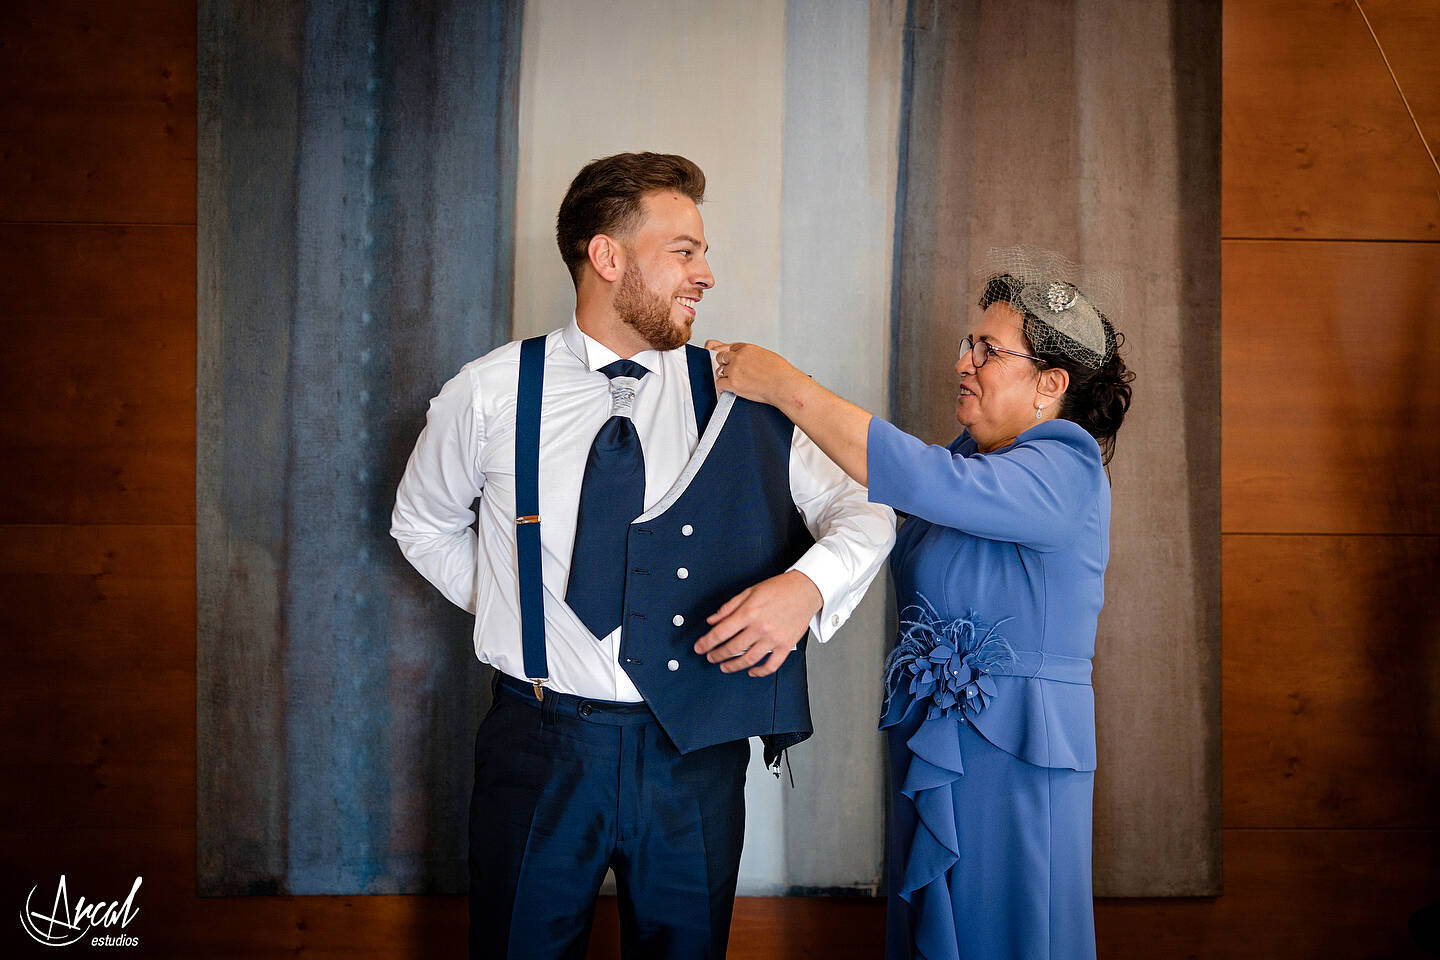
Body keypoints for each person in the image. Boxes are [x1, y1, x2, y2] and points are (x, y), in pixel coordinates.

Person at [390, 152, 894, 960]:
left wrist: (807, 587)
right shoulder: (486, 393)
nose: (707, 276)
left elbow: (865, 504)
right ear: (608, 257)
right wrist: (521, 608)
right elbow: (420, 525)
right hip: (538, 746)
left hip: (691, 755)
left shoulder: (742, 392)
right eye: (684, 251)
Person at [706, 246, 1133, 960]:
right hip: (936, 740)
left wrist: (788, 387)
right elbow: (892, 496)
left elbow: (907, 474)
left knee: (1006, 934)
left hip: (1016, 752)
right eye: (970, 343)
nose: (964, 362)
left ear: (1049, 384)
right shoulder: (971, 458)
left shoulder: (1067, 464)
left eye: (989, 350)